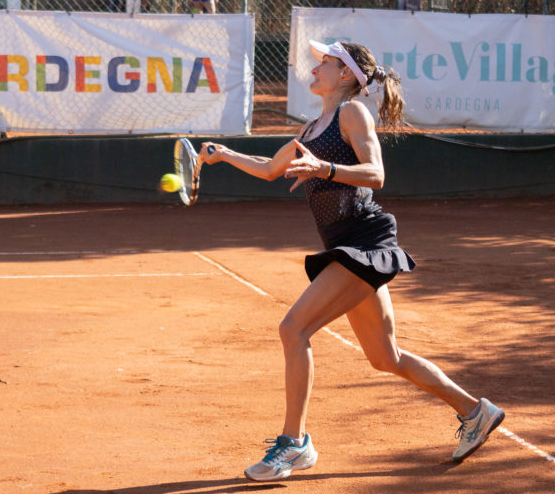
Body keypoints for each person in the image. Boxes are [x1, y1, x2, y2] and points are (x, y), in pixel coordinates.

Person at [198, 40, 505, 482]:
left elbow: (375, 174)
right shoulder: (310, 130)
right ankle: (476, 412)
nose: (315, 68)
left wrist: (324, 169)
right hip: (346, 243)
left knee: (293, 328)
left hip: (364, 242)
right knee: (386, 357)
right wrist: (225, 154)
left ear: (345, 74)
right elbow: (269, 168)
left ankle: (294, 443)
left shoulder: (352, 113)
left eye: (325, 62)